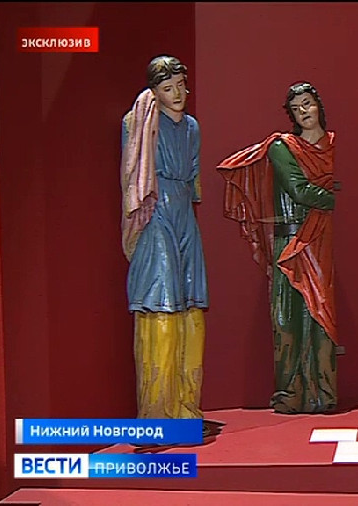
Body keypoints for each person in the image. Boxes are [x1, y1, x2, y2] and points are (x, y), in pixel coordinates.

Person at [217, 82, 338, 414]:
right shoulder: (282, 147)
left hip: (320, 240)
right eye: (296, 108)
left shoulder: (333, 145)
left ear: (319, 105)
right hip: (291, 241)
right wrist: (333, 196)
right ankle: (291, 392)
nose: (303, 111)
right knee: (287, 317)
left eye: (308, 103)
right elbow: (299, 190)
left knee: (320, 315)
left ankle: (323, 393)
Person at [120, 55, 209, 423]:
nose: (177, 94)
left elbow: (194, 176)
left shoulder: (191, 127)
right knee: (161, 302)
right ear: (154, 91)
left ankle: (187, 408)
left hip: (184, 212)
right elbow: (133, 176)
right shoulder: (139, 122)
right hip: (156, 211)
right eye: (168, 88)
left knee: (191, 302)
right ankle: (157, 414)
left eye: (181, 86)